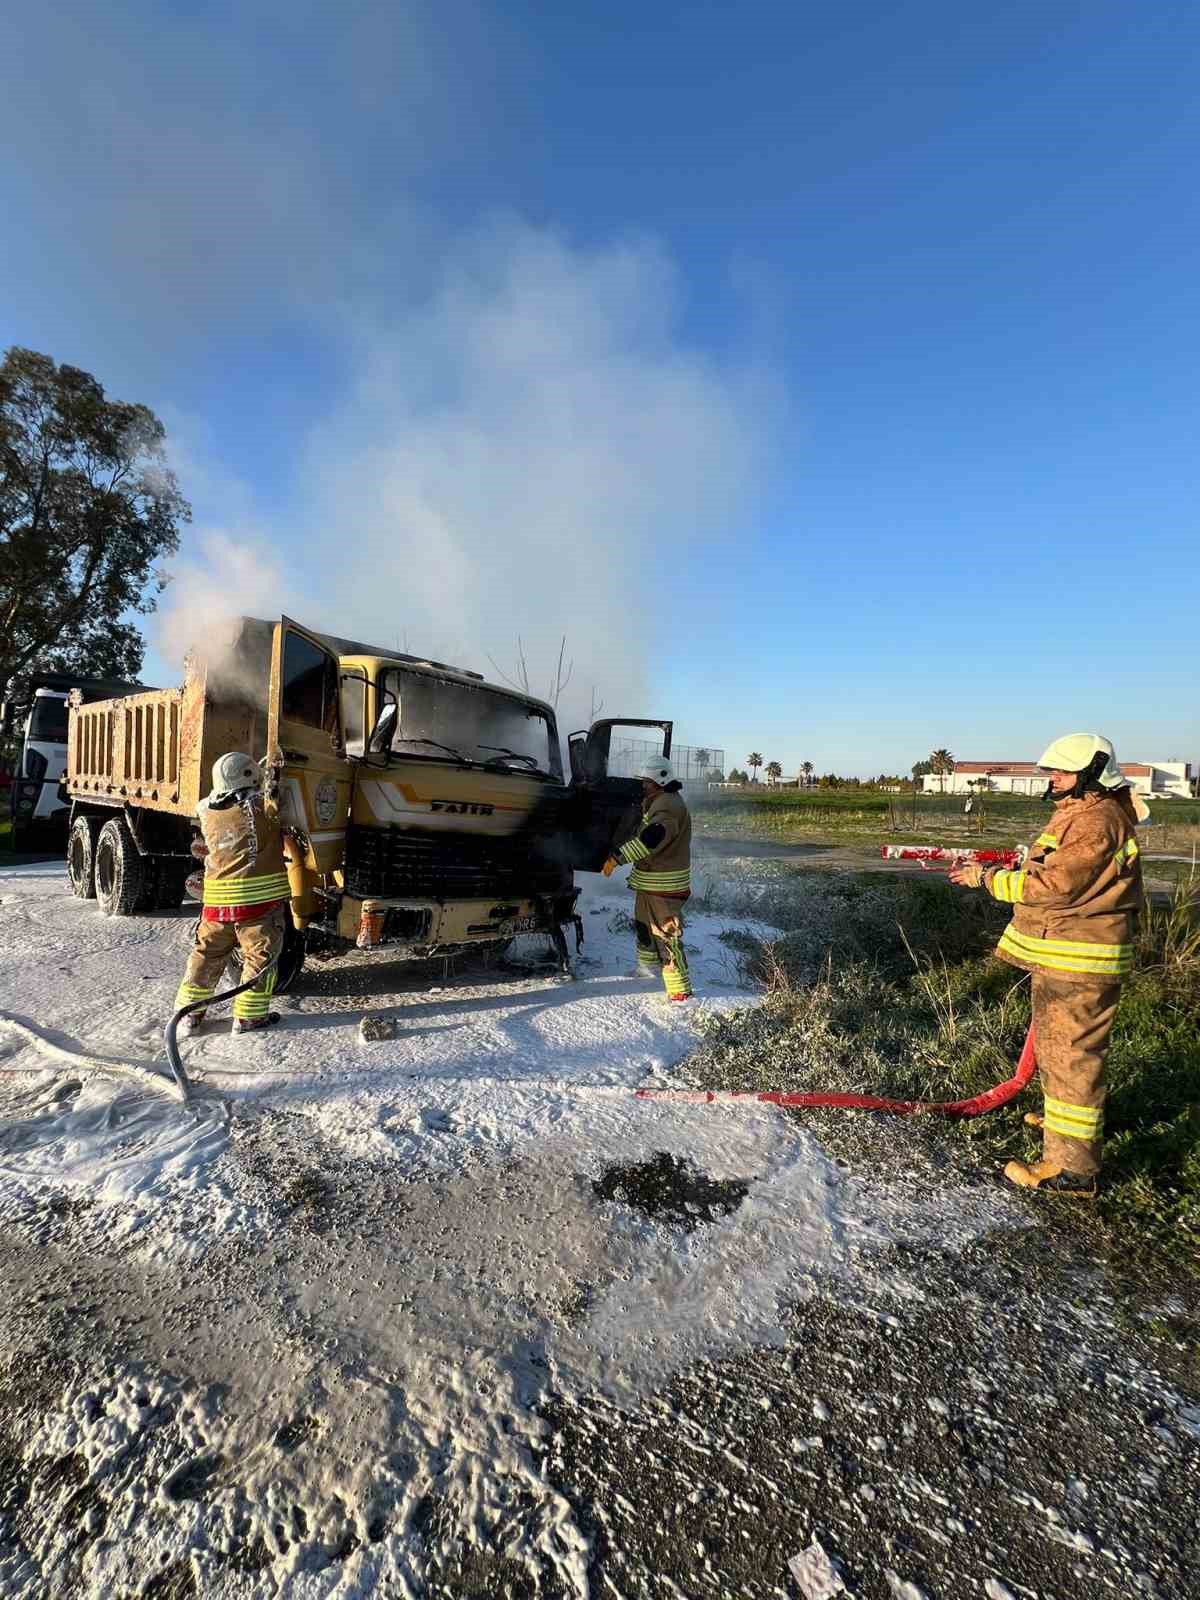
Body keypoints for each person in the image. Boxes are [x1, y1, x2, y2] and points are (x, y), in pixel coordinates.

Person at [949, 734, 1146, 1194]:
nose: (1052, 779)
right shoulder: (1081, 814)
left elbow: (1056, 886)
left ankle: (1072, 1168)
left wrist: (988, 879)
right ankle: (1065, 1131)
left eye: (1061, 771)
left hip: (1079, 958)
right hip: (1065, 955)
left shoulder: (1096, 821)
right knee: (1059, 1054)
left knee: (1071, 1057)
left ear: (1093, 772)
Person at [174, 752, 294, 1036]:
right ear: (250, 777)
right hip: (257, 905)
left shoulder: (206, 812)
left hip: (215, 904)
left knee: (207, 954)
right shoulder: (262, 808)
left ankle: (189, 1015)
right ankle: (249, 1017)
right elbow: (280, 805)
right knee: (259, 957)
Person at [602, 759, 693, 1002]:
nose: (642, 786)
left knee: (666, 933)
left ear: (660, 781)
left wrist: (617, 858)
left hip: (664, 885)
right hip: (650, 882)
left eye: (646, 782)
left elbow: (650, 840)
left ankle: (679, 989)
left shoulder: (668, 807)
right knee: (644, 927)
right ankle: (648, 970)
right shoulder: (657, 801)